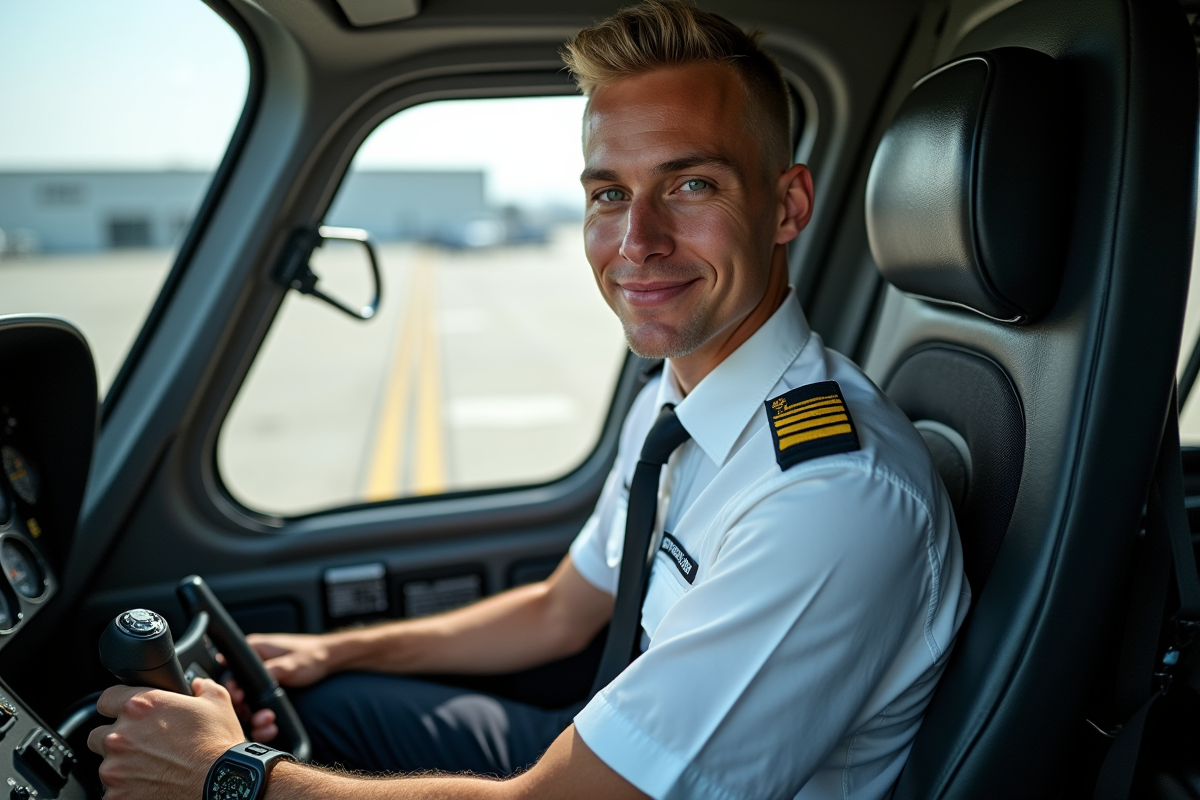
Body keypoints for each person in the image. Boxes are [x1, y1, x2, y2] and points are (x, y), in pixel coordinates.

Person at [87, 2, 970, 798]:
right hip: (606, 745)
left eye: (691, 184)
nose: (638, 243)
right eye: (609, 195)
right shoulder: (680, 401)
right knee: (341, 702)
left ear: (786, 205)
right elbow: (561, 610)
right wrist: (329, 650)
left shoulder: (827, 498)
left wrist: (224, 777)